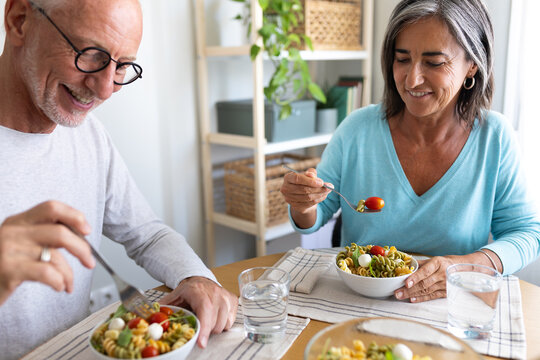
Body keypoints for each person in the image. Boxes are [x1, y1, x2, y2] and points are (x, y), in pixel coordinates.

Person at [0, 0, 237, 358]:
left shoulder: (87, 136)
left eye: (123, 66)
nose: (106, 89)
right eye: (89, 54)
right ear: (19, 21)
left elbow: (146, 233)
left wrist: (195, 277)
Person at [281, 0, 540, 303]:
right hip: (359, 306)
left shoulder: (494, 138)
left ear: (472, 63)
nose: (412, 79)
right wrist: (303, 202)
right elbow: (315, 214)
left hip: (450, 307)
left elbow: (526, 234)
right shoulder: (356, 130)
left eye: (433, 62)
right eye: (402, 59)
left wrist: (466, 266)